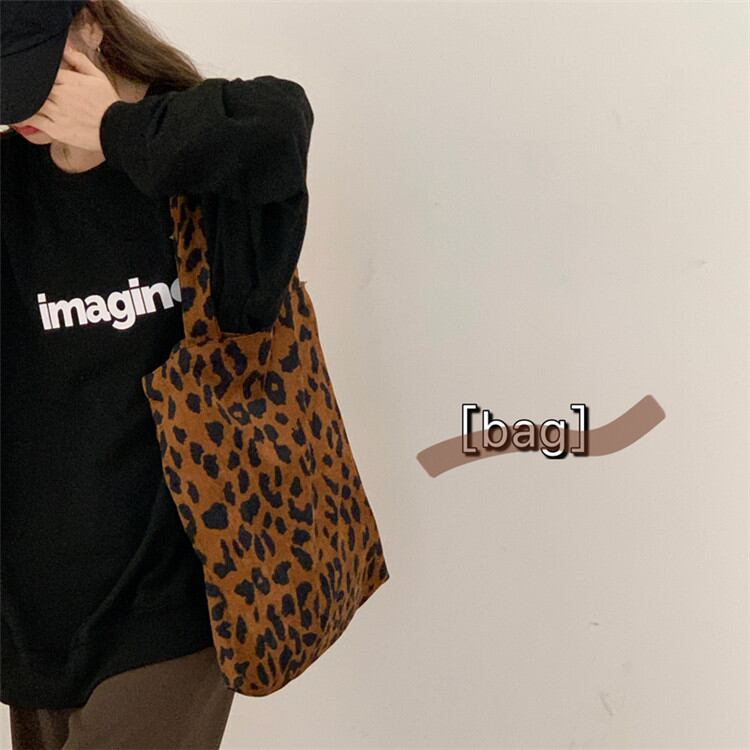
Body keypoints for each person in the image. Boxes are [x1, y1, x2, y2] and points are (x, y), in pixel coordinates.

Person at [0, 0, 314, 747]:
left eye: (38, 77)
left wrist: (115, 128)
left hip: (178, 593)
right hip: (36, 613)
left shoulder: (191, 165)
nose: (24, 110)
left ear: (92, 24)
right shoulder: (10, 187)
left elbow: (281, 124)